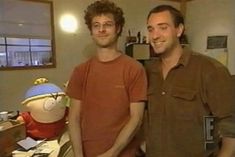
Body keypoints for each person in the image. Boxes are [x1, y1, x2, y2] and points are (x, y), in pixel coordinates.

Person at [145, 5, 235, 157]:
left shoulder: (209, 70)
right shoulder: (147, 72)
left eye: (163, 28)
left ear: (179, 30)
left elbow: (229, 126)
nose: (155, 35)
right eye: (151, 29)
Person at [66, 0, 147, 157]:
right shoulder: (80, 71)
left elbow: (136, 118)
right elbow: (74, 118)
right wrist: (78, 154)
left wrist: (111, 153)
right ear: (91, 31)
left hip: (124, 153)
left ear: (118, 28)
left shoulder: (135, 69)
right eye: (96, 25)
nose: (101, 29)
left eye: (108, 24)